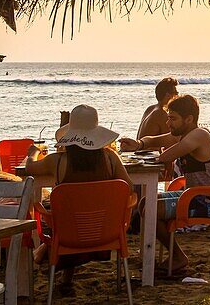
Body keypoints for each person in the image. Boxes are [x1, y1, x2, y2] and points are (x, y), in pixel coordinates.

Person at [119, 94, 210, 276]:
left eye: (173, 119)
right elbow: (156, 140)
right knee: (144, 203)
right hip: (195, 196)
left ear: (189, 119)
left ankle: (177, 256)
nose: (168, 123)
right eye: (168, 118)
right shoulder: (186, 134)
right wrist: (139, 143)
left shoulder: (199, 134)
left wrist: (165, 158)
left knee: (151, 208)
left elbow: (167, 154)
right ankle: (155, 255)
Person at [24, 105, 133, 295]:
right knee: (84, 210)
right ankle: (63, 274)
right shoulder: (110, 159)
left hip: (68, 235)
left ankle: (47, 254)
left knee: (68, 214)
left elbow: (30, 169)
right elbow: (129, 187)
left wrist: (32, 152)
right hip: (107, 232)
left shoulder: (56, 161)